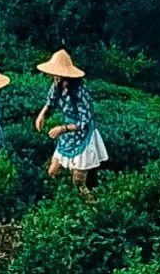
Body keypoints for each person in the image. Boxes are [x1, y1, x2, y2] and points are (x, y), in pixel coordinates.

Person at [34, 48, 108, 189]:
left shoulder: (80, 91)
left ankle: (94, 206)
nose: (53, 76)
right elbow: (51, 101)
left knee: (79, 183)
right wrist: (41, 114)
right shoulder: (57, 85)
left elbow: (84, 121)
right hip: (68, 135)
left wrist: (63, 129)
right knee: (52, 172)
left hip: (82, 135)